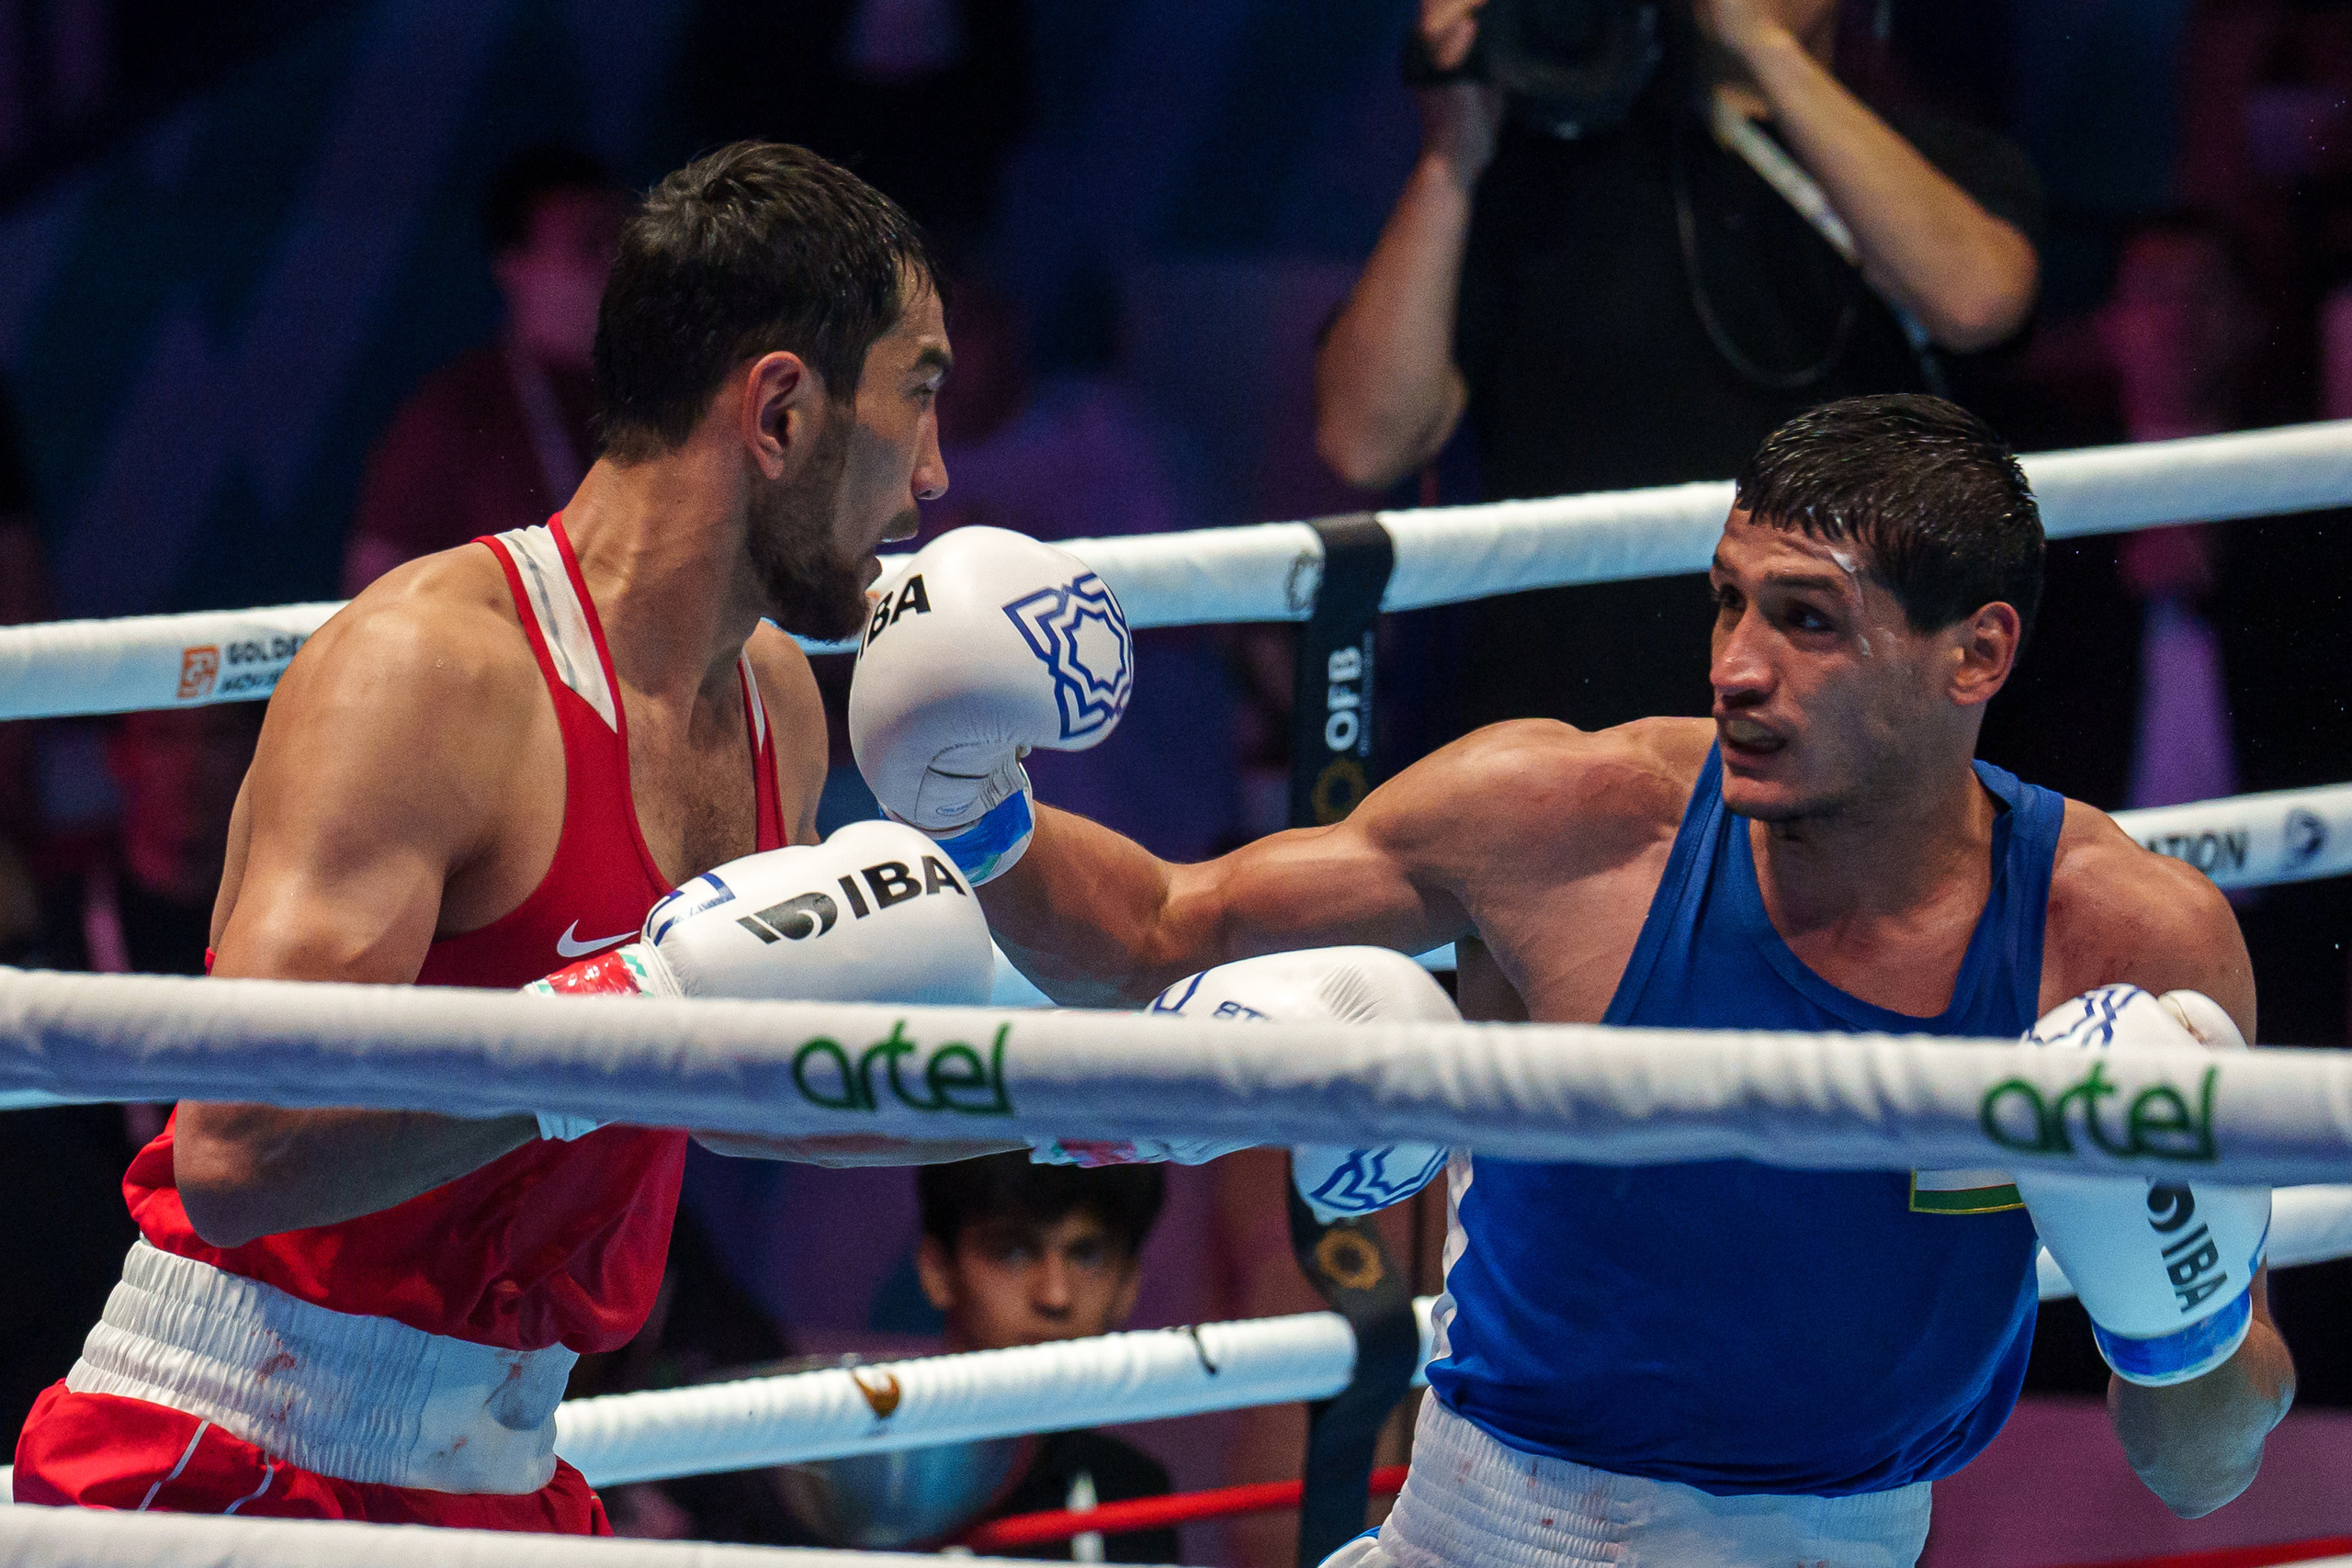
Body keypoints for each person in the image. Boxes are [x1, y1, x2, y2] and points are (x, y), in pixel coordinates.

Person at [851, 395, 2295, 1563]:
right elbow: (1162, 922)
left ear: (1976, 652)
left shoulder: (2119, 943)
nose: (1736, 666)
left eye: (1806, 620)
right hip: (1477, 1533)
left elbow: (2201, 1462)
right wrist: (976, 802)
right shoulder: (1573, 818)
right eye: (1727, 604)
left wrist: (2183, 1305)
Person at [14, 141, 1015, 1532]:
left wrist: (1062, 1094)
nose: (937, 476)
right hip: (237, 1447)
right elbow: (237, 1156)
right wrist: (612, 1012)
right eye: (916, 400)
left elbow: (734, 1083)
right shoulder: (430, 673)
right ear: (779, 412)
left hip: (500, 1464)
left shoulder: (778, 704)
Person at [1313, 0, 2043, 741]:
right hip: (1566, 741)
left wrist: (1759, 42)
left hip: (1832, 737)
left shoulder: (1936, 162)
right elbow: (1365, 441)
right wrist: (1453, 156)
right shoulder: (1542, 166)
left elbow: (1978, 300)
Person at [342, 146, 628, 593]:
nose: (614, 263)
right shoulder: (453, 414)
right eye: (588, 244)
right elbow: (369, 594)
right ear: (514, 266)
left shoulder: (666, 396)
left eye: (622, 240)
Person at [906, 1154, 1180, 1563]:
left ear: (1128, 1283)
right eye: (1012, 1252)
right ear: (938, 1270)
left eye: (1087, 1256)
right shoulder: (878, 1482)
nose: (1056, 1296)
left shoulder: (1133, 1486)